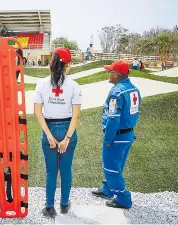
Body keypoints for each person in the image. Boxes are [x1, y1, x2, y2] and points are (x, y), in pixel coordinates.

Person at [33, 47, 82, 217]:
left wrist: (48, 135)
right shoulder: (74, 85)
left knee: (51, 172)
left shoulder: (41, 84)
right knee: (66, 170)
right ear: (67, 65)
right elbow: (76, 116)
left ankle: (49, 207)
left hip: (50, 128)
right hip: (67, 128)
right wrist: (67, 138)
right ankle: (64, 205)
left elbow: (37, 113)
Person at [91, 60, 141, 209]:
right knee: (117, 166)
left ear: (117, 75)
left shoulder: (116, 93)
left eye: (110, 71)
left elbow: (113, 118)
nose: (108, 73)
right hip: (128, 134)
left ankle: (123, 198)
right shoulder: (134, 89)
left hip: (117, 137)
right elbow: (136, 112)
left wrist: (108, 139)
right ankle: (107, 189)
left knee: (110, 169)